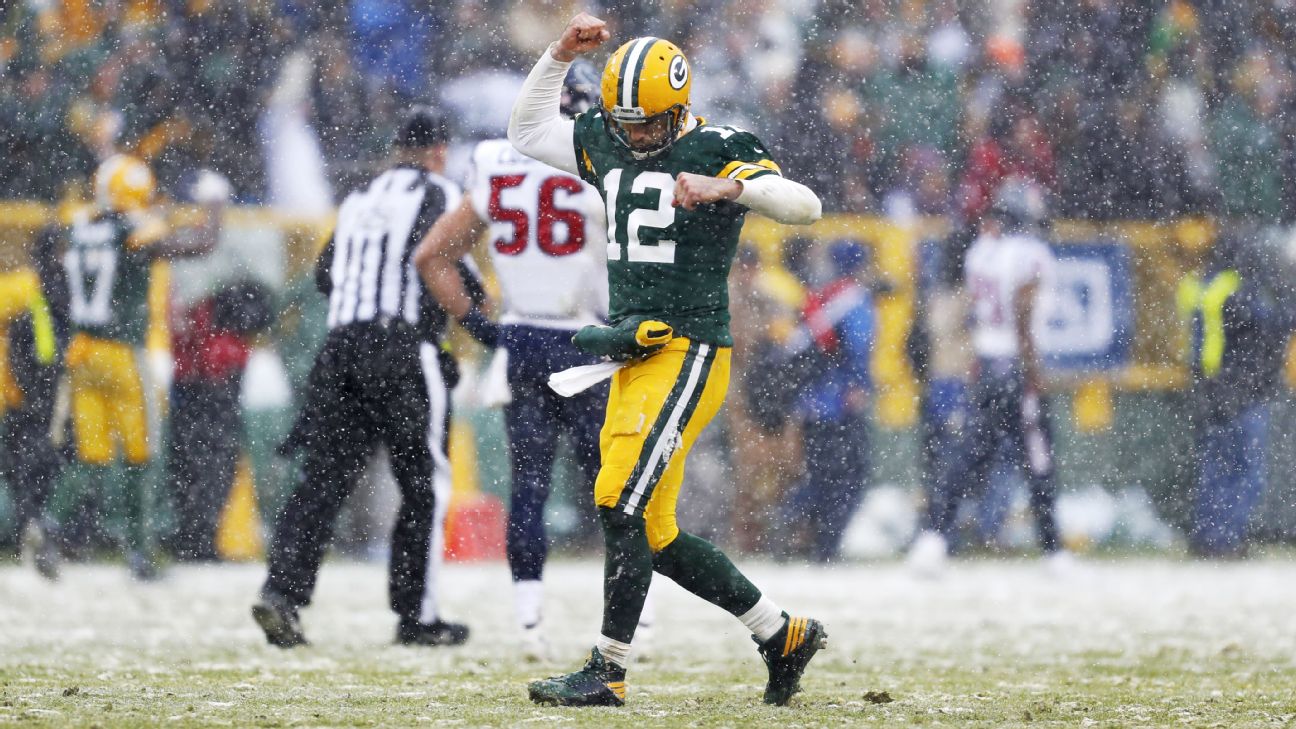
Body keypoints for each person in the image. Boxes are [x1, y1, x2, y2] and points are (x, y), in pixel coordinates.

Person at [509, 13, 825, 707]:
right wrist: (558, 55)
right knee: (653, 529)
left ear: (680, 108)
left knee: (615, 496)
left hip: (687, 350)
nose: (634, 134)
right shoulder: (607, 136)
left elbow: (804, 204)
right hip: (633, 351)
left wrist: (733, 188)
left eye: (648, 123)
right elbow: (527, 132)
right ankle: (782, 633)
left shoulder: (718, 146)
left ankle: (608, 670)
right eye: (625, 122)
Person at [413, 60, 626, 660]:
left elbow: (432, 255)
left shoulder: (497, 161)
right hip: (590, 343)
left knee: (529, 488)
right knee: (616, 493)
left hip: (524, 343)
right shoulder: (604, 167)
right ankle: (636, 619)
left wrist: (482, 327)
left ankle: (529, 621)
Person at [252, 106, 473, 650]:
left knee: (321, 482)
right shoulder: (441, 193)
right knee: (424, 488)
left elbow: (327, 274)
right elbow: (438, 262)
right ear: (439, 150)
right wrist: (473, 318)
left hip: (339, 350)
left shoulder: (356, 199)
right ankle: (416, 615)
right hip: (400, 348)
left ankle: (282, 593)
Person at [62, 154, 226, 580]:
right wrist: (214, 206)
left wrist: (156, 216)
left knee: (92, 457)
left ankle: (49, 524)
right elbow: (201, 244)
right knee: (142, 453)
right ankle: (140, 552)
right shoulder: (134, 230)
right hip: (121, 352)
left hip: (82, 351)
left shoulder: (80, 225)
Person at [908, 178, 1068, 574]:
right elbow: (1024, 310)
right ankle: (1054, 551)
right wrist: (1033, 368)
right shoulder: (1031, 254)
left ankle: (933, 539)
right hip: (1015, 366)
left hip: (985, 365)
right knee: (1038, 459)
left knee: (967, 456)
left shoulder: (981, 252)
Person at [1178, 231, 1291, 558]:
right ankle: (1226, 541)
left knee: (1214, 469)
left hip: (1211, 390)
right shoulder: (1233, 290)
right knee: (1246, 473)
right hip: (1242, 391)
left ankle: (1207, 538)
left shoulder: (1202, 286)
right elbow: (1275, 324)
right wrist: (1286, 290)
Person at [164, 279, 275, 563]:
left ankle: (196, 536)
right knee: (209, 463)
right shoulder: (216, 278)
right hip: (211, 377)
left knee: (197, 463)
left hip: (197, 376)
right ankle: (198, 537)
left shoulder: (193, 279)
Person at [781, 240, 875, 563]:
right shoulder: (854, 299)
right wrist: (859, 385)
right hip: (840, 403)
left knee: (819, 475)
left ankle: (790, 528)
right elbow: (859, 347)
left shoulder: (821, 298)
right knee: (848, 478)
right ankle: (826, 545)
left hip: (813, 403)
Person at [1, 227, 70, 579]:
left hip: (29, 389)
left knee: (28, 468)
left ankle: (32, 531)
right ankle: (38, 532)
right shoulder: (44, 287)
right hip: (41, 389)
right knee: (41, 464)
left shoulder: (32, 286)